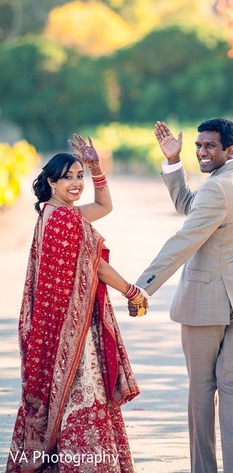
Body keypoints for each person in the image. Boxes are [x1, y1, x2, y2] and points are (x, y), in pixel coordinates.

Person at [131, 118, 233, 473]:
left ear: (230, 149)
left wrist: (143, 286)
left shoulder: (217, 188)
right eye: (198, 145)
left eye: (209, 146)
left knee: (201, 392)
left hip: (207, 305)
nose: (202, 152)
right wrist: (174, 162)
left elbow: (184, 239)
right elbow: (192, 205)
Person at [7, 135, 148, 473]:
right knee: (79, 394)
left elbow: (103, 207)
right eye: (67, 177)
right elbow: (95, 266)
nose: (76, 183)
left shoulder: (52, 214)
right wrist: (132, 291)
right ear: (51, 182)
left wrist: (98, 168)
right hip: (71, 332)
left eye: (79, 175)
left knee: (62, 397)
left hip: (57, 326)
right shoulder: (65, 220)